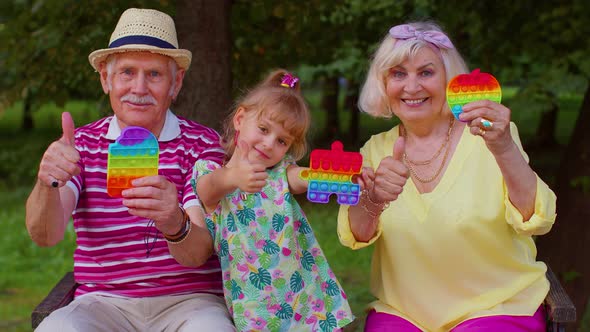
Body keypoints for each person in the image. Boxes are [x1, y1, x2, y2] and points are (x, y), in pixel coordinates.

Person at [337, 22, 557, 332]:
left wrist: (505, 148)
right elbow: (357, 235)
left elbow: (536, 219)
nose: (411, 86)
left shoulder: (490, 137)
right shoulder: (374, 150)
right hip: (404, 313)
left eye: (426, 73)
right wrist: (374, 198)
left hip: (496, 307)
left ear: (450, 81)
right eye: (398, 74)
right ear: (383, 83)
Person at [25, 8, 235, 331]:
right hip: (103, 302)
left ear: (175, 83)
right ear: (105, 79)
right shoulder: (80, 145)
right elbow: (45, 235)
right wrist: (46, 182)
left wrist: (173, 221)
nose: (139, 87)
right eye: (126, 72)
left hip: (190, 302)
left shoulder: (200, 145)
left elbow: (199, 253)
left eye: (154, 74)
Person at [191, 69, 354, 331]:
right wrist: (234, 177)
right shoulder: (211, 172)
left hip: (303, 291)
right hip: (253, 298)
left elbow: (301, 178)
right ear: (240, 119)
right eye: (264, 129)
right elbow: (207, 191)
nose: (269, 143)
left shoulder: (278, 173)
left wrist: (336, 177)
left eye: (281, 140)